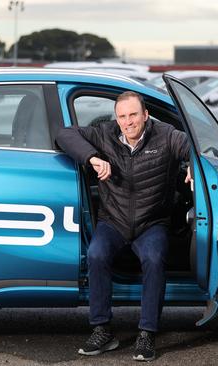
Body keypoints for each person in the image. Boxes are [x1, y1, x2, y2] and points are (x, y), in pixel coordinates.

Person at [56, 91, 191, 361]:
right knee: (96, 254)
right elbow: (64, 135)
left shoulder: (167, 135)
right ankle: (102, 330)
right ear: (116, 118)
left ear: (145, 115)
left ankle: (147, 333)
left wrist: (195, 167)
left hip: (151, 222)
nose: (128, 122)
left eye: (133, 115)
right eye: (122, 116)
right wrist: (92, 157)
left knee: (154, 259)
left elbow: (195, 146)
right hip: (113, 220)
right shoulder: (105, 133)